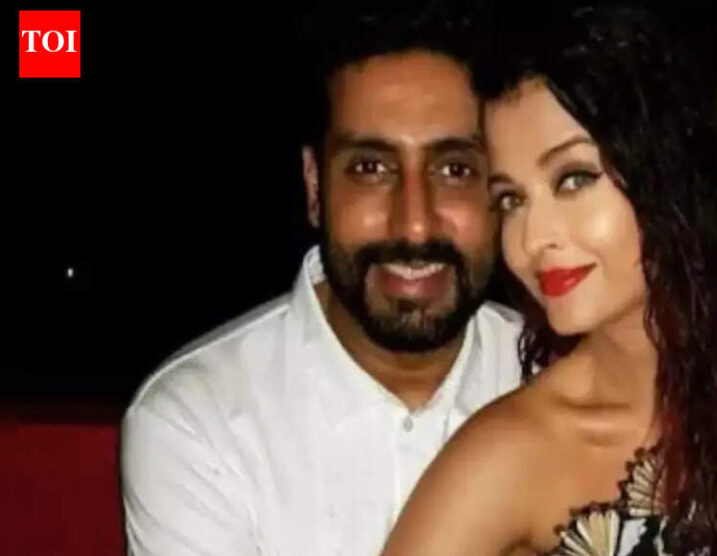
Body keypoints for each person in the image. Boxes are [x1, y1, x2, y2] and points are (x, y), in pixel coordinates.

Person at [382, 4, 717, 555]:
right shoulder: (520, 448)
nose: (531, 239)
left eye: (574, 179)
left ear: (667, 169)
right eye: (511, 200)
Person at [119, 4, 522, 554]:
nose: (414, 223)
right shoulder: (200, 420)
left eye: (454, 169)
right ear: (315, 186)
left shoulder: (561, 378)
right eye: (371, 168)